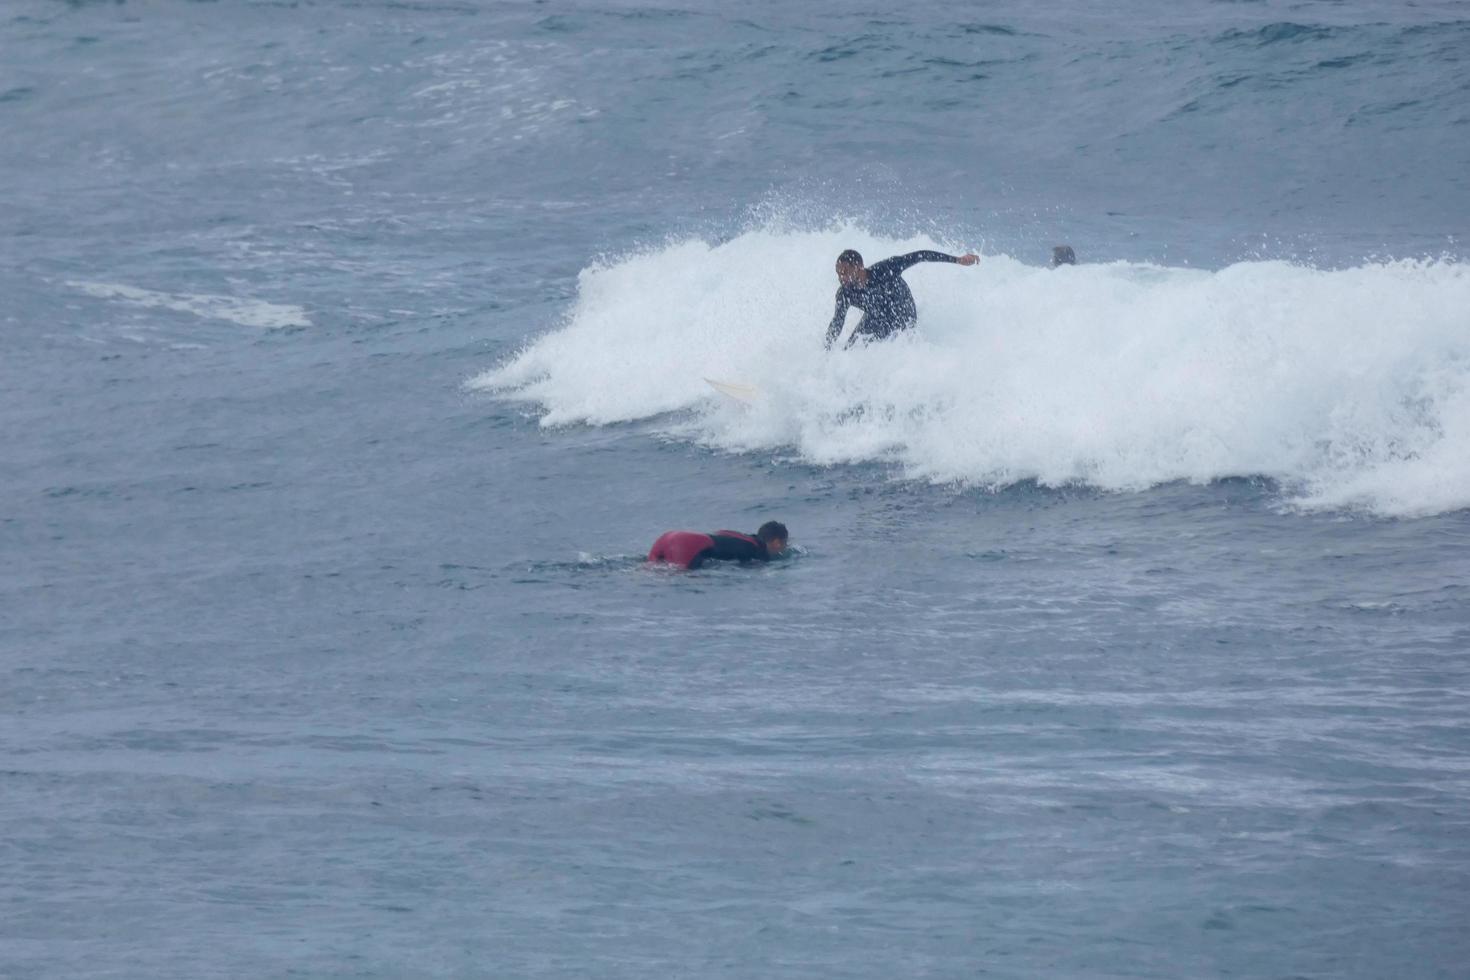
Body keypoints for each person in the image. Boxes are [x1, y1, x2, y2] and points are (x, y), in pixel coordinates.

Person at [824, 248, 979, 350]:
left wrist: (957, 260)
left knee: (893, 346)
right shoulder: (845, 293)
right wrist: (826, 349)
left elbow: (921, 255)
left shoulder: (885, 269)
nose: (841, 277)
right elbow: (837, 322)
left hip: (903, 313)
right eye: (838, 273)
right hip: (875, 316)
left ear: (859, 267)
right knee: (850, 349)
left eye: (845, 272)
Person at [647, 521, 788, 570]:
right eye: (784, 544)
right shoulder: (759, 551)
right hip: (687, 545)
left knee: (648, 572)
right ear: (777, 542)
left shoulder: (741, 537)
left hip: (668, 537)